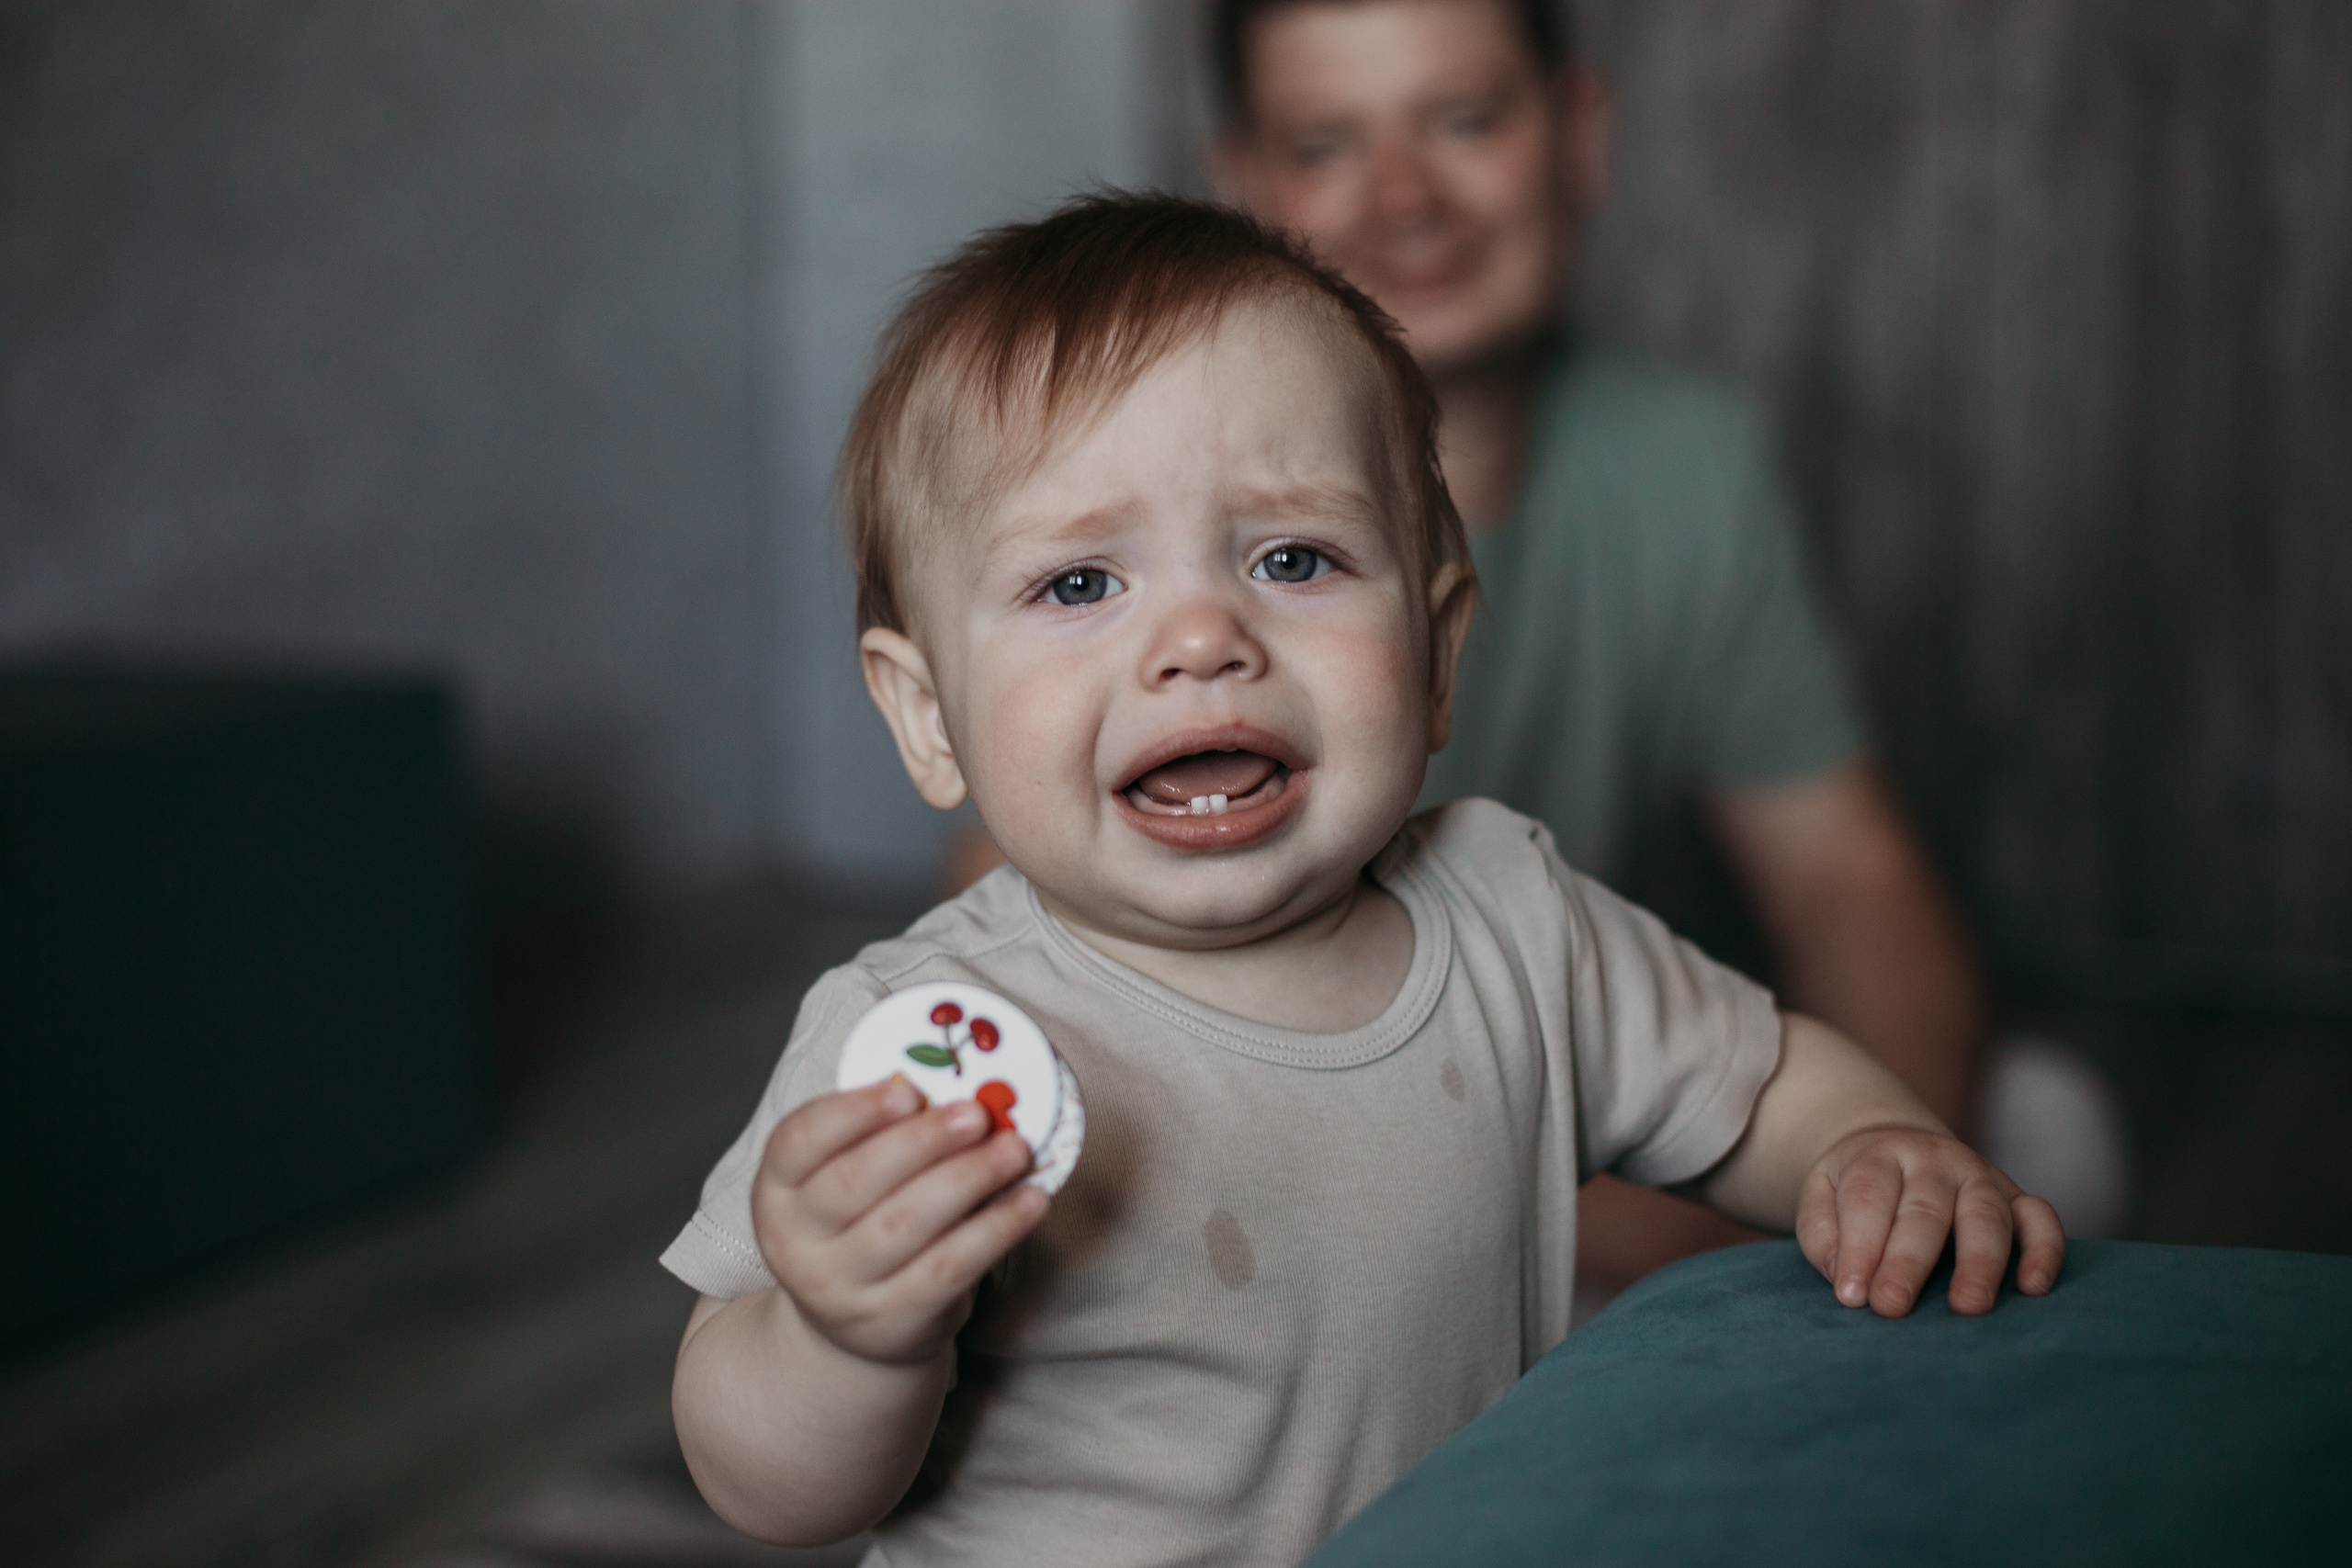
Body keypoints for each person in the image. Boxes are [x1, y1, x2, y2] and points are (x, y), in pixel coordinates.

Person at [663, 193, 2063, 1565]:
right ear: (926, 717)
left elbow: (1758, 1082)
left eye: (1293, 558)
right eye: (1080, 584)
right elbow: (761, 1483)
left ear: (1439, 655)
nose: (1203, 638)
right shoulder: (924, 1043)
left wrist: (1872, 1146)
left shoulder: (1512, 917)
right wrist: (846, 1337)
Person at [1206, 0, 2010, 1293]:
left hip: (1596, 1121)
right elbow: (1031, 915)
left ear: (1578, 132)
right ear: (1241, 184)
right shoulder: (1159, 490)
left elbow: (1847, 878)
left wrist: (1888, 1156)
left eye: (1464, 121)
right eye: (1325, 146)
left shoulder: (1681, 458)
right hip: (1288, 1187)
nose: (1405, 199)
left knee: (2021, 1135)